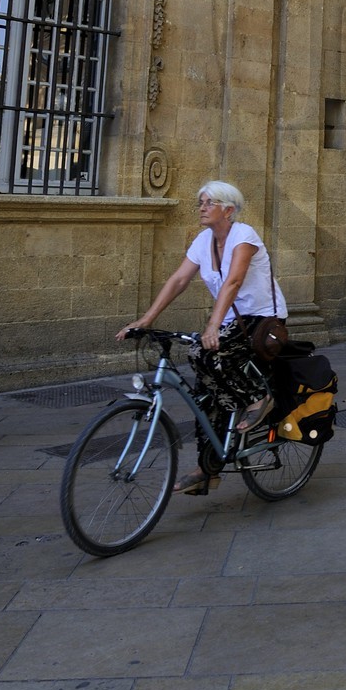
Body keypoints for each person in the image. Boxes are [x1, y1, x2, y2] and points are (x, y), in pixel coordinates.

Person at [116, 180, 286, 494]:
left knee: (202, 354)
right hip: (232, 320)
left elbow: (233, 281)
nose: (202, 208)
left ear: (228, 209)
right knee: (205, 393)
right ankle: (207, 468)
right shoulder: (202, 241)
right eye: (200, 202)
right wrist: (146, 320)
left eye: (208, 202)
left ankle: (258, 397)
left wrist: (212, 326)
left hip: (261, 318)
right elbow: (179, 279)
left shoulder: (243, 235)